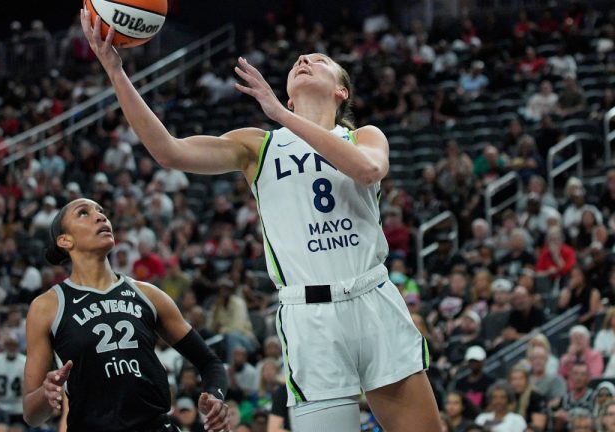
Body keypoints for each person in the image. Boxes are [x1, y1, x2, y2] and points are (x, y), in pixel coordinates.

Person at [80, 9, 439, 432]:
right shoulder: (258, 145)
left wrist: (282, 115)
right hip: (309, 314)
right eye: (298, 61)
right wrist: (115, 71)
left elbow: (366, 170)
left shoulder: (363, 136)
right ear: (288, 95)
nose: (304, 60)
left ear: (341, 91)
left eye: (319, 60)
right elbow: (169, 152)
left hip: (372, 296)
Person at [22, 198, 229, 432]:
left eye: (101, 211)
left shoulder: (148, 294)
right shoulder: (47, 306)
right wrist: (45, 393)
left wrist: (215, 396)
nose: (100, 216)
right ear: (65, 240)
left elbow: (210, 362)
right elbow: (31, 413)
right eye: (83, 213)